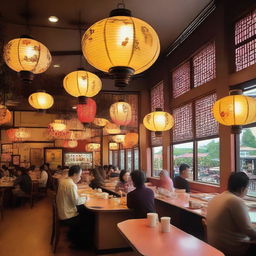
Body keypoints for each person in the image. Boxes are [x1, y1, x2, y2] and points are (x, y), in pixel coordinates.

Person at [207, 172, 256, 256]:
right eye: (247, 188)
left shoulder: (218, 197)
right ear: (242, 189)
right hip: (232, 249)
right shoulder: (235, 201)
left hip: (214, 247)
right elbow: (249, 231)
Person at [56, 165, 92, 248]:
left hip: (63, 211)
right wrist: (86, 197)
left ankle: (72, 236)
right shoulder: (71, 185)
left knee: (84, 212)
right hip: (67, 215)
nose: (80, 177)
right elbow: (76, 201)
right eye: (80, 175)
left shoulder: (64, 181)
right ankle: (79, 244)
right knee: (88, 218)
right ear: (75, 175)